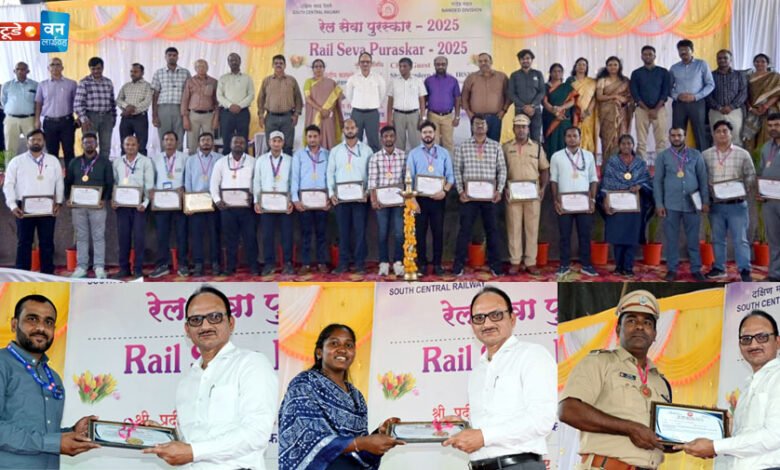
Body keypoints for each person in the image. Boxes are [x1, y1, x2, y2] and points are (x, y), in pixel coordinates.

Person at [144, 285, 277, 468]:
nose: (205, 326)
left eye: (215, 317)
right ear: (187, 329)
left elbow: (257, 433)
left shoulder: (251, 364)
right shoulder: (187, 381)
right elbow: (191, 441)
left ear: (231, 323)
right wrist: (165, 438)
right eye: (196, 320)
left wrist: (193, 451)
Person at [443, 286, 556, 470]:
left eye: (496, 315)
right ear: (472, 325)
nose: (487, 324)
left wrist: (483, 436)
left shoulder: (532, 355)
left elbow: (541, 419)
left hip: (519, 465)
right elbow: (489, 426)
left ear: (512, 318)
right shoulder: (478, 370)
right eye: (479, 318)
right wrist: (463, 428)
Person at [560, 289, 671, 470]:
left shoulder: (661, 382)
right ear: (618, 329)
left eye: (647, 322)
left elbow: (662, 437)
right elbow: (568, 410)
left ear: (654, 334)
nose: (640, 327)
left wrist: (687, 437)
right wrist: (629, 428)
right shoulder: (599, 362)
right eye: (632, 320)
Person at [278, 323, 403, 469]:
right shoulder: (305, 384)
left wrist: (380, 434)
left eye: (349, 345)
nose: (342, 349)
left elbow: (361, 450)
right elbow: (305, 440)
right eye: (334, 343)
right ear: (319, 352)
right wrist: (361, 443)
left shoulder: (357, 397)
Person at [0, 294, 99, 469]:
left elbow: (43, 435)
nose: (41, 328)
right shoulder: (2, 364)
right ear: (14, 324)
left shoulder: (52, 377)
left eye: (48, 322)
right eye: (32, 319)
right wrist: (54, 443)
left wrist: (72, 432)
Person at [675, 310, 780, 469]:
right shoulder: (749, 387)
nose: (753, 344)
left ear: (777, 342)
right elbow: (746, 440)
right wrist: (725, 429)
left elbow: (774, 436)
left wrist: (715, 446)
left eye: (762, 337)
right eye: (746, 339)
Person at [452, 114, 507, 276]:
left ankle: (495, 265)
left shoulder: (496, 146)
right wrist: (460, 191)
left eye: (483, 124)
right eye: (477, 124)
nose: (480, 127)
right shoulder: (462, 147)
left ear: (487, 127)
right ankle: (458, 265)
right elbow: (457, 170)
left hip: (490, 197)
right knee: (464, 231)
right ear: (472, 127)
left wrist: (499, 190)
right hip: (469, 198)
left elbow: (502, 169)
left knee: (493, 231)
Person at [3, 129, 64, 274]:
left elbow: (59, 182)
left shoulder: (53, 160)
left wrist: (59, 202)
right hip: (23, 208)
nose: (36, 142)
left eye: (39, 140)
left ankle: (47, 273)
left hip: (48, 207)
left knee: (47, 242)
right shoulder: (16, 161)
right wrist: (12, 205)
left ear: (44, 142)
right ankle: (22, 273)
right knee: (24, 242)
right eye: (33, 140)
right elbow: (8, 184)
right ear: (27, 142)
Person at [653, 127, 709, 281]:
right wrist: (659, 204)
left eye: (679, 135)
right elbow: (657, 182)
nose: (676, 138)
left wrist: (705, 201)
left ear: (685, 136)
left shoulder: (696, 155)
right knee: (671, 239)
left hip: (692, 205)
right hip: (671, 205)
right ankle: (672, 269)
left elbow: (703, 179)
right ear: (669, 137)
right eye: (673, 135)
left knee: (693, 239)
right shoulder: (663, 156)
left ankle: (696, 269)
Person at [702, 120, 756, 282]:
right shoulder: (706, 155)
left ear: (731, 134)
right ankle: (719, 268)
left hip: (737, 204)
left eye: (725, 131)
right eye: (718, 131)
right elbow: (702, 177)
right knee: (718, 239)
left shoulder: (742, 154)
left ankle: (744, 270)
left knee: (740, 240)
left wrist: (743, 189)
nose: (722, 134)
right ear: (713, 134)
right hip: (716, 205)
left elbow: (751, 175)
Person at [599, 134, 652, 276]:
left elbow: (646, 181)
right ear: (619, 146)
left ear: (633, 145)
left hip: (634, 207)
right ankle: (618, 266)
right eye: (623, 143)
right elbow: (607, 183)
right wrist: (605, 201)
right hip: (617, 205)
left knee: (631, 237)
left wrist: (639, 186)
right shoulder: (613, 162)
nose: (626, 146)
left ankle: (628, 267)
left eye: (629, 143)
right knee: (618, 237)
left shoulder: (640, 163)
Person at [503, 114, 549, 275]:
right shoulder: (506, 147)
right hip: (513, 194)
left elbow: (544, 169)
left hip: (533, 195)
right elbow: (500, 170)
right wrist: (504, 188)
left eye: (524, 127)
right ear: (513, 129)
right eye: (518, 127)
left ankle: (530, 262)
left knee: (532, 229)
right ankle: (515, 261)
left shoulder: (536, 147)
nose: (521, 130)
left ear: (528, 129)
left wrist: (543, 188)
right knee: (513, 228)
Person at [550, 127, 599, 279]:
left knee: (585, 235)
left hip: (584, 203)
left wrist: (592, 199)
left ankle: (587, 265)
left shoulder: (588, 156)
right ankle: (564, 265)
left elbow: (593, 179)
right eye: (569, 136)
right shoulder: (557, 156)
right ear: (565, 138)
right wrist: (556, 200)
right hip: (565, 204)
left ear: (580, 137)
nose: (572, 139)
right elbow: (554, 180)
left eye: (575, 136)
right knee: (564, 235)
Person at [406, 120, 454, 277]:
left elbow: (450, 177)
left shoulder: (444, 153)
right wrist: (412, 199)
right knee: (420, 233)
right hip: (419, 200)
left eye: (430, 132)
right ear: (421, 135)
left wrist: (445, 191)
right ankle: (422, 264)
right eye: (425, 132)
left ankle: (437, 264)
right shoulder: (413, 154)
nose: (428, 135)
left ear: (435, 134)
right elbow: (408, 178)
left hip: (438, 198)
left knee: (438, 232)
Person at [65, 132, 114, 279]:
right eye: (86, 142)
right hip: (78, 206)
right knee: (81, 236)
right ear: (82, 144)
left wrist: (105, 199)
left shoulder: (105, 162)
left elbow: (110, 182)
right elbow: (68, 181)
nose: (89, 145)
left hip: (98, 206)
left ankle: (99, 266)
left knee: (98, 236)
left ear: (96, 144)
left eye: (92, 142)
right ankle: (82, 267)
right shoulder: (74, 162)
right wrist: (68, 198)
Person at [327, 118, 372, 274]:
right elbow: (330, 173)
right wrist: (331, 193)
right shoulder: (335, 151)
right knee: (343, 232)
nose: (350, 130)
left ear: (357, 129)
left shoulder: (366, 150)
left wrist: (368, 192)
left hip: (360, 199)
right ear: (343, 130)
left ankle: (360, 264)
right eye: (347, 128)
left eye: (352, 127)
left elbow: (371, 174)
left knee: (360, 232)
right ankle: (343, 263)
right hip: (341, 199)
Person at [210, 135, 259, 275]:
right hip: (227, 208)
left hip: (247, 208)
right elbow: (214, 184)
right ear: (230, 144)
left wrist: (254, 197)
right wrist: (217, 200)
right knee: (230, 239)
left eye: (241, 142)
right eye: (235, 142)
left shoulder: (253, 162)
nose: (238, 144)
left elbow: (257, 182)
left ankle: (253, 267)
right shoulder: (220, 163)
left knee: (250, 238)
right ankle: (230, 267)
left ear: (246, 145)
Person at [112, 135, 154, 278]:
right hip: (122, 206)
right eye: (127, 144)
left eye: (133, 144)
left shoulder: (146, 161)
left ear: (138, 145)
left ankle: (138, 269)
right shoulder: (117, 162)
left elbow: (149, 185)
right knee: (123, 238)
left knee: (139, 238)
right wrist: (114, 200)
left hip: (139, 206)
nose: (130, 147)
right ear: (123, 146)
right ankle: (124, 268)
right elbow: (115, 183)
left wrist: (145, 203)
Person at [149, 131, 189, 278]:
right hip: (161, 202)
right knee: (162, 235)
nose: (169, 142)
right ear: (163, 142)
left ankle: (183, 265)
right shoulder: (155, 158)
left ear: (177, 142)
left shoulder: (185, 158)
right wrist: (152, 190)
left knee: (182, 234)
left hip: (179, 201)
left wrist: (184, 187)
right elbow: (152, 178)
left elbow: (188, 176)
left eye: (172, 139)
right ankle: (162, 265)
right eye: (166, 139)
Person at [254, 130, 294, 276]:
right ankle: (269, 264)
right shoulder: (261, 160)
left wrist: (291, 201)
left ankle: (288, 263)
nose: (276, 144)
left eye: (279, 141)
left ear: (283, 143)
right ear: (269, 142)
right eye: (274, 141)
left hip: (284, 204)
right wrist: (256, 201)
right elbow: (256, 182)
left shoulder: (290, 160)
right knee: (267, 235)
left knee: (287, 235)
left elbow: (293, 182)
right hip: (266, 205)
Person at [292, 124, 331, 273]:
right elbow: (295, 178)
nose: (312, 139)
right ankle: (306, 263)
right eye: (310, 136)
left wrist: (329, 197)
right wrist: (295, 199)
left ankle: (322, 263)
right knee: (305, 233)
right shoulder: (299, 155)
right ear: (306, 138)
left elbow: (330, 177)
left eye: (315, 136)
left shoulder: (327, 154)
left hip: (322, 201)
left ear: (319, 137)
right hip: (305, 202)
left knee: (322, 233)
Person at [368, 125, 406, 277]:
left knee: (399, 233)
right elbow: (372, 181)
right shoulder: (375, 157)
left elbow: (406, 179)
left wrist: (406, 197)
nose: (388, 139)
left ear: (395, 137)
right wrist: (373, 199)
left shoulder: (403, 156)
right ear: (381, 139)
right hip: (381, 202)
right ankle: (383, 263)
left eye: (391, 136)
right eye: (385, 136)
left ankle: (398, 262)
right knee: (382, 233)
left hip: (398, 201)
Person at [184, 132, 222, 277]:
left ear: (212, 143)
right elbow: (188, 182)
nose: (205, 142)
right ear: (198, 143)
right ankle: (198, 264)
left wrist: (218, 199)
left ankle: (215, 263)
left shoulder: (219, 159)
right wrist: (188, 203)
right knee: (196, 236)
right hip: (196, 204)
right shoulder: (191, 160)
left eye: (208, 140)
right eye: (203, 140)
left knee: (214, 235)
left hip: (214, 203)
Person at [670, 39, 715, 151]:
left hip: (697, 103)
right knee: (677, 132)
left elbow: (710, 84)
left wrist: (696, 96)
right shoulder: (674, 68)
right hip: (679, 104)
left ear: (692, 50)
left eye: (686, 50)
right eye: (680, 50)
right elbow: (668, 88)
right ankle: (677, 157)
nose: (683, 52)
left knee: (700, 132)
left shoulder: (702, 64)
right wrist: (677, 96)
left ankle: (702, 157)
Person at [34, 57, 77, 169]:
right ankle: (53, 176)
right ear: (48, 68)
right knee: (52, 152)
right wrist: (37, 120)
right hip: (49, 123)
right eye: (52, 64)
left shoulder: (71, 84)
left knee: (69, 151)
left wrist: (79, 117)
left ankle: (70, 177)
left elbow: (77, 102)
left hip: (67, 122)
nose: (55, 67)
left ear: (62, 67)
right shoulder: (42, 85)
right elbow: (38, 103)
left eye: (58, 64)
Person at [257, 54, 303, 156]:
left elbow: (298, 98)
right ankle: (271, 165)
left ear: (285, 65)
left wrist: (296, 115)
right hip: (270, 117)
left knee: (287, 146)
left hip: (288, 118)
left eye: (281, 63)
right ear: (272, 65)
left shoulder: (291, 80)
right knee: (271, 145)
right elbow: (261, 99)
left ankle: (287, 165)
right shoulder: (267, 80)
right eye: (276, 63)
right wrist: (261, 115)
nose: (278, 65)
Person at [630, 45, 671, 159]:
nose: (648, 56)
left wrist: (655, 109)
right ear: (641, 57)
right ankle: (641, 167)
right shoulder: (636, 73)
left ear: (655, 56)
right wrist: (648, 110)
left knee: (661, 141)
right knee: (641, 141)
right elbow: (635, 93)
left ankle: (661, 167)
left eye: (650, 54)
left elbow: (665, 92)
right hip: (641, 109)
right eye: (645, 54)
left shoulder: (663, 72)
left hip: (659, 109)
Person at [74, 57, 116, 160]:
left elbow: (112, 102)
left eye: (98, 68)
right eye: (93, 69)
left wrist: (113, 118)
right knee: (89, 145)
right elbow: (78, 104)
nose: (96, 71)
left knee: (106, 146)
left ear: (103, 68)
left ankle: (103, 167)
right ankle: (89, 167)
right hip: (90, 118)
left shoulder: (108, 82)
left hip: (106, 117)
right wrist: (84, 119)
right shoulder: (84, 82)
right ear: (90, 69)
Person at [462, 53, 509, 143]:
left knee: (494, 144)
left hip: (495, 118)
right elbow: (464, 96)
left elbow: (508, 95)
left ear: (491, 62)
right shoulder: (471, 77)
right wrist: (469, 113)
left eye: (486, 61)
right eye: (480, 61)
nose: (483, 63)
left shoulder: (502, 77)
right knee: (476, 144)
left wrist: (504, 110)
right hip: (476, 117)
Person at [345, 52, 386, 152]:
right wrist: (358, 105)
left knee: (374, 141)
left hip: (372, 113)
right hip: (357, 113)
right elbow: (349, 96)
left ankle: (374, 161)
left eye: (367, 62)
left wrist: (372, 104)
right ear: (359, 63)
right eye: (362, 62)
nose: (365, 64)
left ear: (371, 63)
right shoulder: (352, 79)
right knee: (355, 140)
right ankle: (356, 160)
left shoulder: (378, 78)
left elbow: (382, 95)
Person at [151, 47, 190, 152]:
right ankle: (164, 160)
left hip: (180, 108)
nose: (172, 57)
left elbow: (189, 93)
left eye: (174, 55)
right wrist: (154, 115)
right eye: (169, 55)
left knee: (179, 136)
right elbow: (155, 94)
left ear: (177, 57)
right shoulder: (159, 73)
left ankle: (178, 160)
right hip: (163, 108)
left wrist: (187, 113)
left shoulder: (185, 72)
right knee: (164, 136)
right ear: (165, 57)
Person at [596, 57, 633, 164]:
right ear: (606, 67)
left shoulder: (625, 81)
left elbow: (629, 97)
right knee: (607, 140)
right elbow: (599, 97)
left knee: (622, 138)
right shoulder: (602, 80)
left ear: (619, 66)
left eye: (615, 65)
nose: (612, 67)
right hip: (607, 114)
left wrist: (622, 100)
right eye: (610, 65)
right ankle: (607, 167)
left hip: (622, 113)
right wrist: (615, 97)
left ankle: (621, 166)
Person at [706, 50, 747, 146]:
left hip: (735, 111)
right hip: (716, 111)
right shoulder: (710, 75)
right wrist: (719, 107)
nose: (722, 60)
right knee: (717, 137)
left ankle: (736, 156)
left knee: (735, 137)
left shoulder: (739, 75)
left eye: (725, 58)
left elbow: (743, 92)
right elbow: (707, 94)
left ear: (730, 59)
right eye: (719, 58)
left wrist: (731, 106)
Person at [757, 113, 780, 281]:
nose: (773, 128)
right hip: (769, 202)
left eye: (777, 125)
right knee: (774, 240)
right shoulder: (766, 147)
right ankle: (774, 274)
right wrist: (759, 190)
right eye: (770, 125)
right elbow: (761, 172)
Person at [216, 53, 254, 154]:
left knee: (243, 138)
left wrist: (240, 106)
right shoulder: (223, 78)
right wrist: (230, 105)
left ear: (240, 61)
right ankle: (227, 160)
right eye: (231, 60)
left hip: (243, 112)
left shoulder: (247, 78)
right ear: (228, 63)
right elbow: (219, 96)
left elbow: (251, 95)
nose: (234, 62)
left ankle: (244, 159)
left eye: (236, 60)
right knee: (227, 139)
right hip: (227, 113)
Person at [386, 57, 426, 151]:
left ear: (410, 67)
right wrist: (389, 119)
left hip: (414, 115)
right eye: (400, 66)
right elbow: (390, 101)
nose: (402, 68)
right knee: (399, 143)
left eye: (404, 66)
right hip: (398, 115)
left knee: (415, 142)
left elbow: (422, 100)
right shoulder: (394, 81)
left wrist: (423, 118)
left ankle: (415, 160)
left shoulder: (417, 81)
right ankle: (401, 160)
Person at [423, 56, 461, 154]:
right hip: (432, 115)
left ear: (447, 65)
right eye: (438, 64)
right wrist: (423, 116)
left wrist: (457, 116)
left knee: (448, 142)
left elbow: (457, 99)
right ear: (434, 65)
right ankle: (433, 163)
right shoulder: (428, 81)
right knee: (433, 141)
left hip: (448, 116)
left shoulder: (453, 80)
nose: (440, 66)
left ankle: (448, 163)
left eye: (443, 64)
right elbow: (423, 99)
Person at [1, 62, 37, 164]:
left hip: (29, 119)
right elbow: (3, 101)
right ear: (14, 71)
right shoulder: (7, 85)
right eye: (18, 69)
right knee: (10, 147)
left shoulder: (35, 85)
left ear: (28, 71)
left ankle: (33, 168)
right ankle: (9, 170)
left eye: (23, 69)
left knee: (33, 145)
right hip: (11, 119)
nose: (20, 71)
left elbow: (38, 102)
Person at [181, 59, 219, 156]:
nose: (201, 68)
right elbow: (185, 99)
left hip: (208, 116)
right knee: (192, 143)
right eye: (198, 66)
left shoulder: (213, 82)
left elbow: (217, 102)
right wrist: (185, 117)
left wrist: (216, 118)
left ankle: (210, 162)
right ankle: (192, 162)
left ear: (207, 68)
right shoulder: (190, 81)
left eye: (203, 66)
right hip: (193, 115)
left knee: (209, 141)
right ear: (195, 68)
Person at [743, 53, 780, 152]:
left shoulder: (775, 76)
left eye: (763, 61)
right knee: (749, 136)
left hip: (770, 110)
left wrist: (765, 106)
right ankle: (753, 159)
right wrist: (751, 109)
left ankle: (769, 157)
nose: (759, 64)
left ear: (767, 63)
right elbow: (744, 94)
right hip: (752, 111)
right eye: (757, 61)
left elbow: (777, 93)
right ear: (753, 63)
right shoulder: (748, 77)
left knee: (768, 134)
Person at [303, 59, 343, 150]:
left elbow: (336, 99)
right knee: (314, 135)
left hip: (328, 115)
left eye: (320, 66)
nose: (318, 68)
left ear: (324, 68)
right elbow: (308, 99)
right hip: (314, 115)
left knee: (329, 135)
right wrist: (321, 110)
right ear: (312, 69)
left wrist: (328, 110)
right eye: (316, 67)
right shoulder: (308, 82)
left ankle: (329, 155)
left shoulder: (331, 82)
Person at [508, 49, 546, 143]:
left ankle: (536, 153)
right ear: (519, 60)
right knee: (521, 136)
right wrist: (524, 107)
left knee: (535, 137)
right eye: (522, 59)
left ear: (532, 60)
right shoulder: (514, 75)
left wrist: (532, 105)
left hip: (535, 110)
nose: (525, 60)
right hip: (520, 110)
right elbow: (511, 93)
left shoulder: (538, 74)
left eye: (528, 58)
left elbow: (542, 91)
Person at [116, 63, 153, 157]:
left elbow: (147, 102)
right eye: (131, 71)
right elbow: (119, 99)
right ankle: (124, 165)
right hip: (126, 118)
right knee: (124, 144)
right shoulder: (126, 86)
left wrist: (132, 110)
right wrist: (127, 107)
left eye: (136, 71)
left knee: (141, 145)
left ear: (142, 73)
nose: (133, 74)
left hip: (140, 118)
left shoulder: (147, 86)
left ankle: (142, 165)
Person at [542, 63, 576, 157]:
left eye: (559, 71)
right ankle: (551, 163)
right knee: (551, 142)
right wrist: (555, 112)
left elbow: (572, 101)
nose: (557, 73)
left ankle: (566, 163)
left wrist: (561, 108)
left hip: (564, 118)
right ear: (550, 73)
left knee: (564, 140)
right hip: (550, 118)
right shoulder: (545, 86)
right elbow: (544, 102)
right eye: (554, 71)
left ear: (562, 73)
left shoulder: (567, 87)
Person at [567, 58, 597, 153]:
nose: (581, 67)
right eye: (579, 64)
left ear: (587, 67)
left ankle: (588, 158)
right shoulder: (570, 80)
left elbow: (595, 98)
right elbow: (567, 97)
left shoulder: (592, 81)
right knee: (575, 135)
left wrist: (587, 112)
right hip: (575, 113)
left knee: (589, 137)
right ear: (575, 67)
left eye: (584, 65)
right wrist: (578, 111)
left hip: (589, 113)